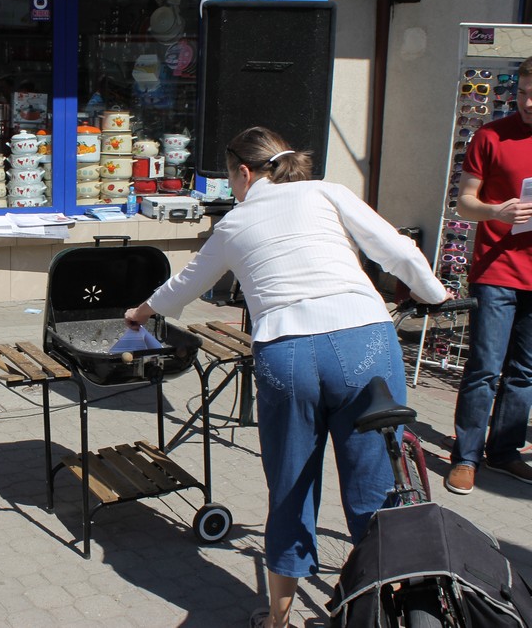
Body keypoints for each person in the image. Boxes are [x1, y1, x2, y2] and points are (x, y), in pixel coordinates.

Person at [123, 126, 447, 628]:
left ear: (245, 173)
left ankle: (278, 618)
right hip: (364, 342)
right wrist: (434, 294)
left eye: (230, 178)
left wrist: (140, 313)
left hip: (287, 352)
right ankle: (381, 606)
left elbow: (184, 285)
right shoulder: (327, 192)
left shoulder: (234, 222)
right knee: (376, 483)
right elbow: (396, 250)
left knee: (293, 485)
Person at [445, 58, 532, 495]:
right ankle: (466, 456)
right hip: (497, 269)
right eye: (522, 94)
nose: (528, 102)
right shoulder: (490, 136)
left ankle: (505, 451)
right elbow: (464, 203)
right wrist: (495, 211)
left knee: (525, 371)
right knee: (484, 367)